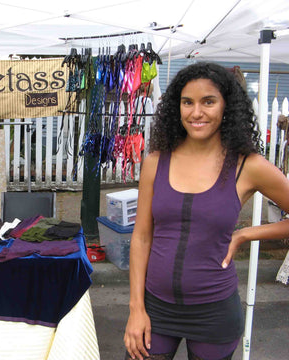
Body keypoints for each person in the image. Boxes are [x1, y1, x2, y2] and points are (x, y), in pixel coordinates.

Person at [123, 62, 289, 360]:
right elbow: (141, 238)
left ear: (228, 106)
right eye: (188, 102)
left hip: (214, 313)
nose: (196, 113)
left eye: (208, 102)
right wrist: (136, 308)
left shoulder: (247, 166)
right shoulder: (155, 162)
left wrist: (246, 233)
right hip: (155, 308)